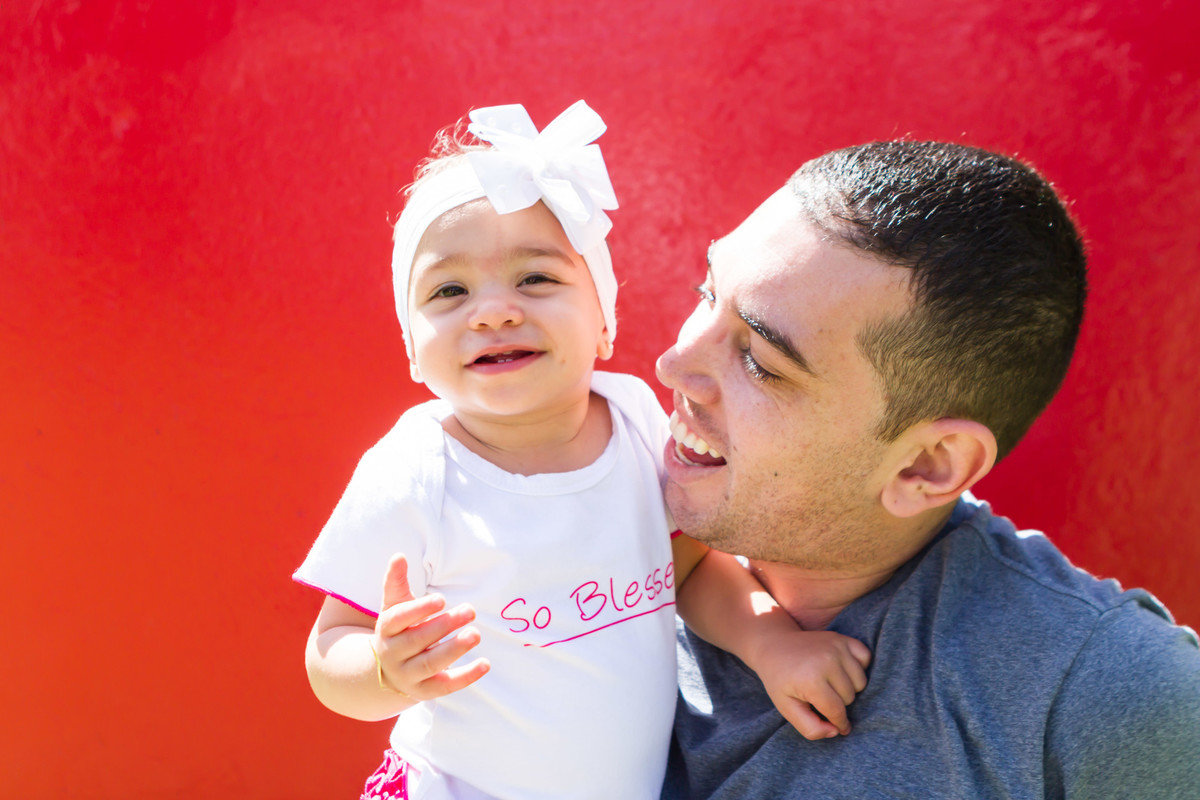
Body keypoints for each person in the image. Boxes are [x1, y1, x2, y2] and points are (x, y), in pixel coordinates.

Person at [294, 101, 870, 800]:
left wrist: (771, 642)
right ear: (413, 349)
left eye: (536, 278)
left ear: (603, 319)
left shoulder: (633, 419)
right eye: (449, 290)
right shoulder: (415, 470)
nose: (494, 310)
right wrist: (383, 670)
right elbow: (330, 651)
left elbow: (685, 567)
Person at [658, 140, 1200, 798]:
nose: (674, 365)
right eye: (706, 292)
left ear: (926, 466)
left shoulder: (1109, 692)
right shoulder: (567, 525)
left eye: (761, 362)